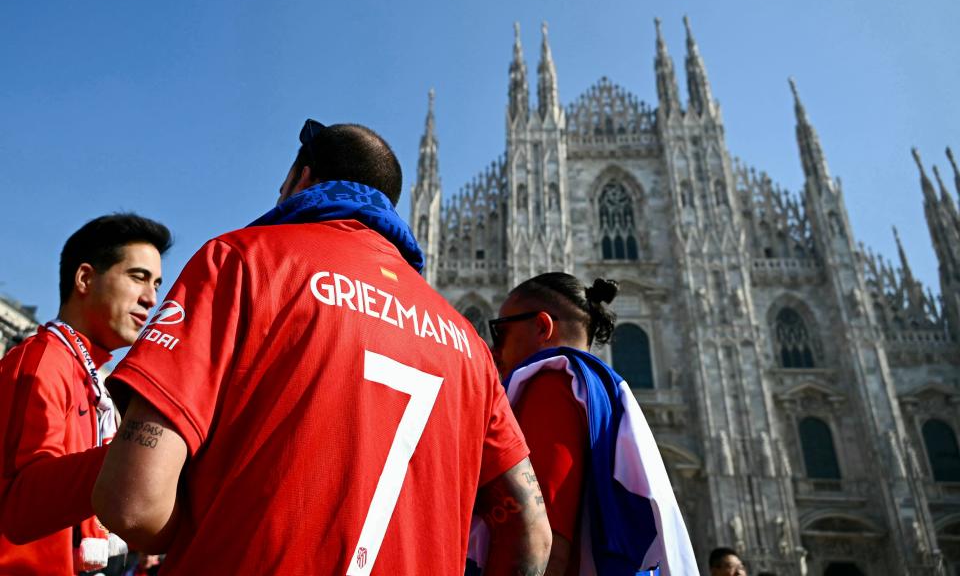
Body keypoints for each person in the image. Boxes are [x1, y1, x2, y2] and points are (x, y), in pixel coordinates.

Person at [93, 120, 552, 575]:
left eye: (281, 187)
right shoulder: (468, 344)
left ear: (303, 179)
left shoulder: (243, 260)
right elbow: (532, 531)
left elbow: (133, 506)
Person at [485, 272, 697, 576]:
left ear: (542, 326)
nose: (493, 350)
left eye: (499, 332)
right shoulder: (600, 391)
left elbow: (542, 544)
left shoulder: (553, 383)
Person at [0, 213, 171, 575]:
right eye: (138, 277)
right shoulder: (43, 361)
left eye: (157, 283)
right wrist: (133, 457)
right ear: (85, 278)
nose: (151, 298)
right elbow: (20, 505)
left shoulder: (88, 374)